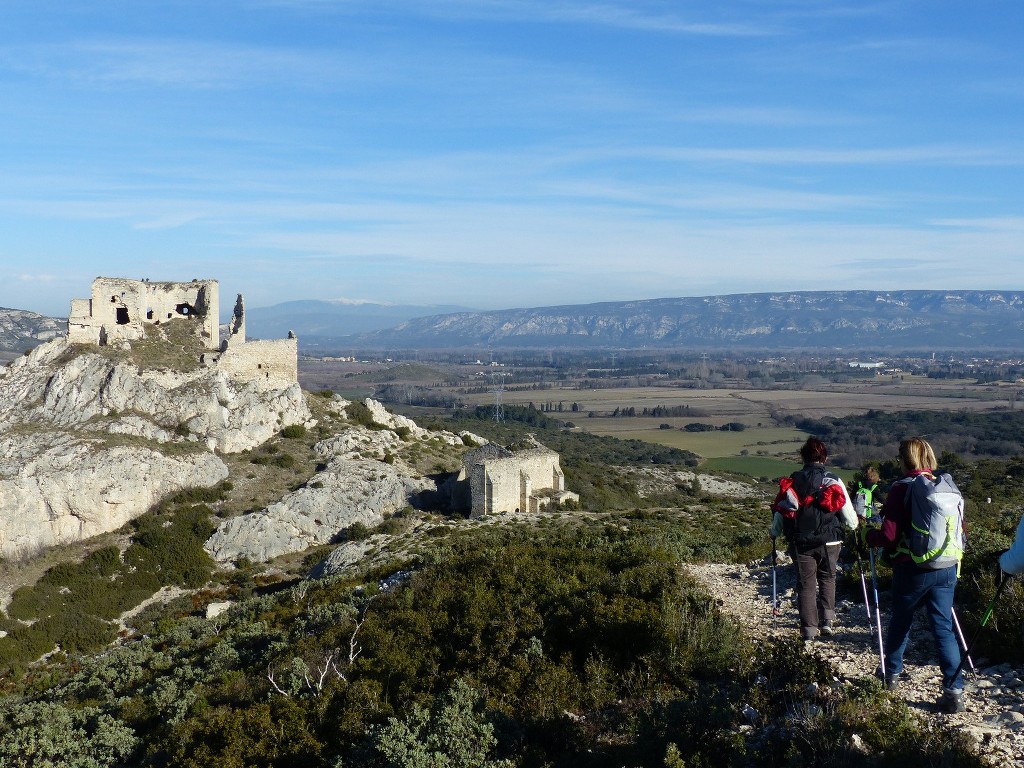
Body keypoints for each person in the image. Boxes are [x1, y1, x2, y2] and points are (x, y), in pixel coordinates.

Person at [863, 437, 965, 714]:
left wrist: (869, 536)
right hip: (947, 567)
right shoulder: (946, 486)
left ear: (904, 459)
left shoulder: (901, 488)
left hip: (913, 567)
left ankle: (891, 674)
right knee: (943, 627)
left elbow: (889, 536)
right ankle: (954, 691)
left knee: (901, 620)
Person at [770, 437, 858, 642]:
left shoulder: (792, 480)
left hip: (801, 542)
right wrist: (854, 526)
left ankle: (809, 630)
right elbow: (848, 514)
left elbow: (781, 512)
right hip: (830, 540)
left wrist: (774, 533)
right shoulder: (832, 479)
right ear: (824, 457)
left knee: (806, 585)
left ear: (803, 457)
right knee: (828, 578)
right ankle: (827, 620)